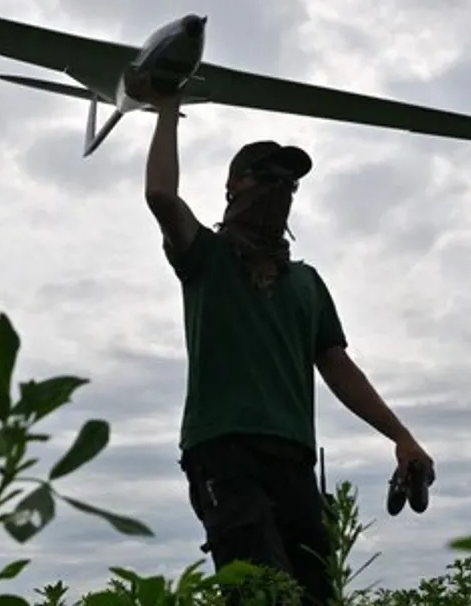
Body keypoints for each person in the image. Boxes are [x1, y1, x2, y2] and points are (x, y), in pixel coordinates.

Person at [140, 87, 435, 606]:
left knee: (315, 595)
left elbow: (339, 369)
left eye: (288, 182)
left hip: (293, 463)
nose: (279, 188)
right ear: (232, 186)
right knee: (262, 595)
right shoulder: (204, 258)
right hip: (224, 453)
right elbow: (162, 196)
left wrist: (402, 437)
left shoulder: (307, 283)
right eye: (266, 176)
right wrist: (167, 104)